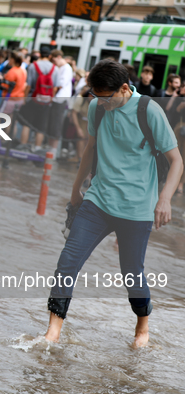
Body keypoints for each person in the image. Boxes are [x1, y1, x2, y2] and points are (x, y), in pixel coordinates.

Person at [44, 59, 183, 348]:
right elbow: (89, 149)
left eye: (104, 97)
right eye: (95, 96)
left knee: (132, 274)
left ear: (122, 89)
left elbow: (176, 161)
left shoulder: (149, 110)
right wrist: (75, 191)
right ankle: (53, 331)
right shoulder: (97, 107)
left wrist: (165, 199)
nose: (99, 103)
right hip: (98, 200)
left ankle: (142, 328)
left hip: (137, 209)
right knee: (67, 261)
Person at [17, 47, 59, 151]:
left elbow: (29, 85)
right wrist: (50, 99)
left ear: (40, 54)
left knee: (27, 123)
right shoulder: (55, 68)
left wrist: (25, 99)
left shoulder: (33, 66)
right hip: (46, 101)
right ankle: (37, 147)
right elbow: (55, 87)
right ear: (49, 56)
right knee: (41, 126)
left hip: (33, 99)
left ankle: (23, 145)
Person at [46, 49, 74, 157]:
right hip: (56, 99)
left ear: (58, 57)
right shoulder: (60, 68)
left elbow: (60, 84)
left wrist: (52, 93)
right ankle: (50, 148)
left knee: (56, 124)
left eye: (53, 60)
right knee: (52, 124)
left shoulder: (66, 68)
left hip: (60, 99)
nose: (53, 63)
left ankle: (53, 150)